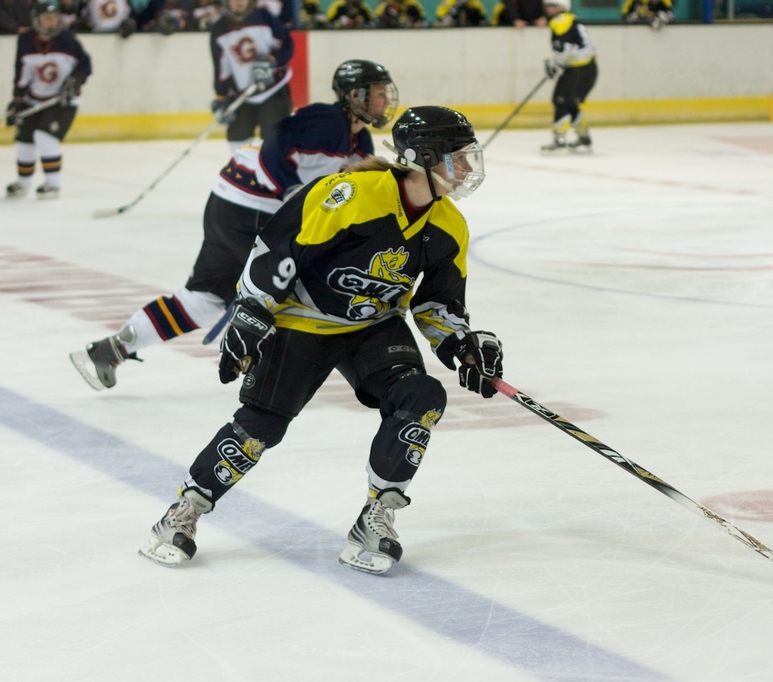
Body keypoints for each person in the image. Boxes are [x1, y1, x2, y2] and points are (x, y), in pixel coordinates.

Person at [137, 105, 503, 577]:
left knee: (421, 396)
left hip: (372, 327)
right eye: (458, 158)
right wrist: (251, 313)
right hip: (302, 322)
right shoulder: (350, 194)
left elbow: (437, 304)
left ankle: (376, 516)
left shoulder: (448, 226)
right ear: (423, 157)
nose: (469, 168)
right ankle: (184, 509)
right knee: (262, 425)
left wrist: (463, 344)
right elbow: (278, 249)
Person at [69, 60, 399, 390]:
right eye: (378, 93)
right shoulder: (327, 119)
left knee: (205, 298)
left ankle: (113, 348)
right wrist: (291, 189)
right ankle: (275, 380)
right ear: (355, 95)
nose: (385, 100)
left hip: (230, 203)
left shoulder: (360, 141)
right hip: (254, 208)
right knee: (294, 291)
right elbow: (276, 138)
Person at [5, 0, 91, 199]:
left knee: (44, 137)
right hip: (33, 98)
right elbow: (21, 73)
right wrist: (17, 101)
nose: (52, 22)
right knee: (24, 140)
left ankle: (53, 184)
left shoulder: (67, 39)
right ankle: (23, 183)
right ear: (36, 20)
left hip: (62, 101)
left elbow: (85, 66)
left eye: (54, 18)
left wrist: (75, 82)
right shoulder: (25, 41)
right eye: (47, 18)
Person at [210, 0, 294, 152]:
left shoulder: (265, 17)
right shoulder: (219, 29)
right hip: (243, 94)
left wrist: (272, 60)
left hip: (274, 90)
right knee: (237, 141)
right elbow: (221, 69)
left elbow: (286, 45)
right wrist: (220, 98)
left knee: (273, 143)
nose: (240, 2)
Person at [540, 0, 597, 153]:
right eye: (547, 6)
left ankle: (559, 139)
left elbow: (566, 48)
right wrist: (555, 62)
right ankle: (584, 138)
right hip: (587, 68)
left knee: (561, 101)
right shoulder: (571, 19)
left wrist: (555, 64)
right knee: (570, 103)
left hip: (578, 69)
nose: (548, 9)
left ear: (561, 7)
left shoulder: (561, 20)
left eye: (552, 6)